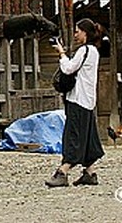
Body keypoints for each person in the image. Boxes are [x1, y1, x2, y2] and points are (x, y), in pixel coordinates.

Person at [45, 19, 105, 187]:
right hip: (88, 100)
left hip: (77, 99)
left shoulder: (84, 50)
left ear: (85, 33)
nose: (76, 34)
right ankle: (90, 172)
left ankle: (63, 171)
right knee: (86, 135)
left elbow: (68, 69)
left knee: (73, 135)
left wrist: (61, 54)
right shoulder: (93, 51)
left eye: (78, 31)